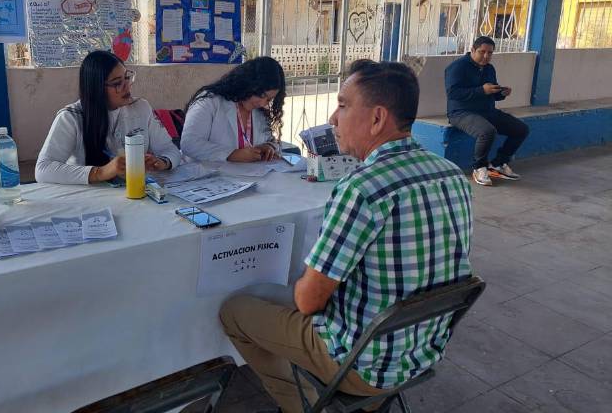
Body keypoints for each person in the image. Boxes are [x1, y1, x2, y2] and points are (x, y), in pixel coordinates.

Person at [220, 60, 472, 413]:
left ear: (377, 118)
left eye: (342, 104)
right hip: (422, 350)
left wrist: (304, 281)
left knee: (236, 310)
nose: (333, 119)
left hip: (363, 363)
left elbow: (308, 302)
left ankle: (306, 406)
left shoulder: (362, 189)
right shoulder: (451, 174)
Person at [35, 50, 181, 185]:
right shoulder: (71, 118)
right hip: (91, 197)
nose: (127, 86)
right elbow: (42, 170)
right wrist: (101, 172)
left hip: (135, 191)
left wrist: (162, 162)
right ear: (96, 88)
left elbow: (170, 150)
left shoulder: (141, 108)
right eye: (117, 83)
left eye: (127, 78)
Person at [445, 36, 530, 186]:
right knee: (487, 131)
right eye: (481, 52)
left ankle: (498, 164)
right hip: (461, 113)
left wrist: (500, 93)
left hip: (487, 110)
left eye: (489, 53)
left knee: (521, 129)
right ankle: (479, 167)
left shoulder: (489, 68)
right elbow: (453, 94)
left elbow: (492, 92)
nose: (485, 56)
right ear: (472, 50)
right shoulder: (457, 67)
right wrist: (481, 90)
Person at [180, 56, 286, 162]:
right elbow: (189, 143)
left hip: (247, 175)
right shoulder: (209, 101)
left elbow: (270, 140)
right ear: (248, 84)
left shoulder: (260, 112)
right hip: (205, 175)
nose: (263, 103)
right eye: (261, 95)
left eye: (269, 100)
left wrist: (268, 147)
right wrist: (232, 154)